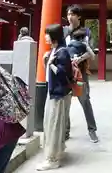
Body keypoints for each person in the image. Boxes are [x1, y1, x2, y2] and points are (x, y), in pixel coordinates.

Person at [37, 24, 74, 171]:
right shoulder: (54, 50)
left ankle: (52, 158)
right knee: (51, 124)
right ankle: (55, 152)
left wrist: (51, 64)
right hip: (53, 92)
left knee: (54, 125)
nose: (46, 37)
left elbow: (63, 73)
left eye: (48, 34)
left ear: (54, 36)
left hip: (58, 94)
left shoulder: (62, 52)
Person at [64, 4, 99, 143]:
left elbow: (91, 51)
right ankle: (66, 131)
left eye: (72, 14)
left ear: (78, 16)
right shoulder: (64, 32)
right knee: (65, 101)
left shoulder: (86, 32)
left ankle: (92, 130)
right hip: (65, 71)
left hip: (81, 70)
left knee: (84, 100)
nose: (70, 17)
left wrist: (80, 58)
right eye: (68, 14)